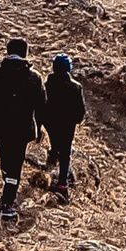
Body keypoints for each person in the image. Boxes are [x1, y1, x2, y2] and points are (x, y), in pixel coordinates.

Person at [0, 36, 46, 214]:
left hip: (1, 128)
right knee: (16, 164)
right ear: (25, 53)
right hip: (22, 130)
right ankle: (8, 201)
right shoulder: (34, 78)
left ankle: (7, 196)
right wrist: (40, 129)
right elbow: (42, 107)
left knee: (6, 163)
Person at [43, 50, 86, 197]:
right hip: (67, 124)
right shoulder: (75, 87)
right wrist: (75, 120)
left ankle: (49, 168)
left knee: (55, 144)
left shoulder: (47, 85)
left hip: (50, 122)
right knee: (66, 153)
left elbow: (42, 105)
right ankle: (62, 184)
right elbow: (80, 111)